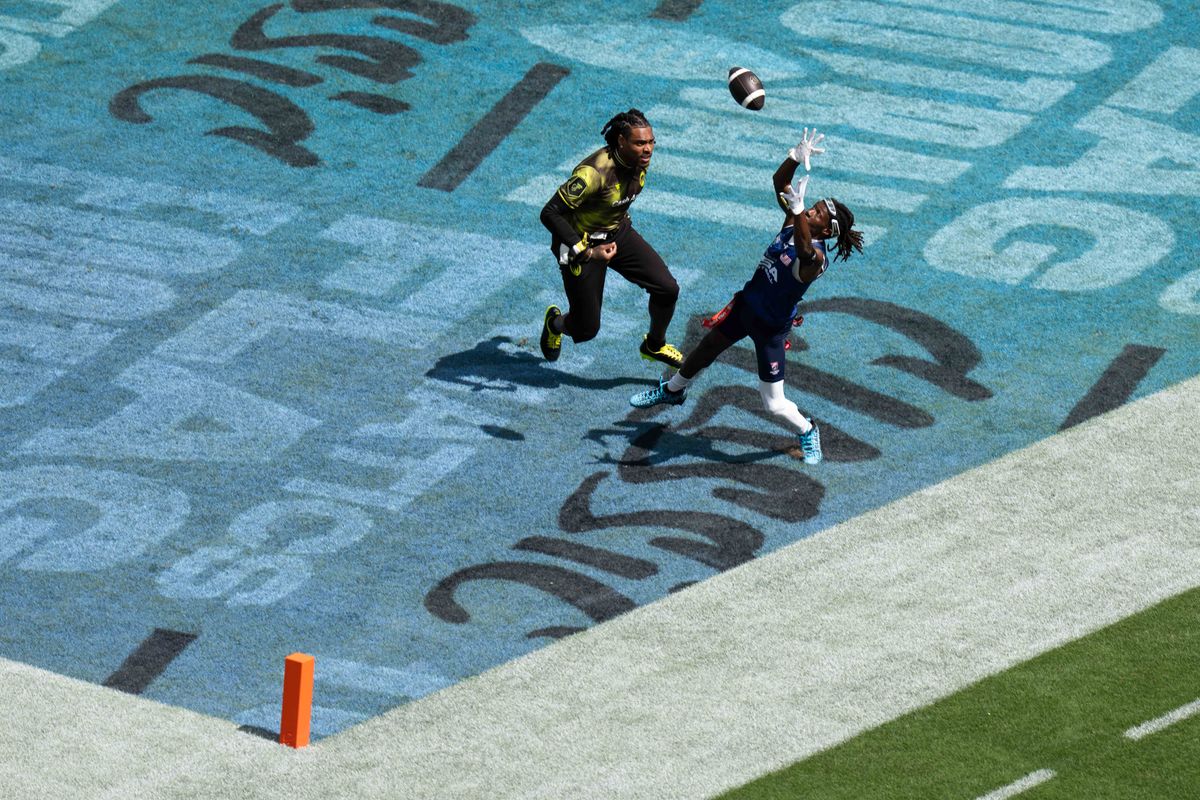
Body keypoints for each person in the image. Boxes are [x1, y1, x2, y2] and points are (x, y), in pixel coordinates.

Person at [628, 129, 863, 465]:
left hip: (770, 327)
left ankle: (808, 430)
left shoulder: (817, 257)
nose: (807, 212)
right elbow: (778, 181)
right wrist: (794, 158)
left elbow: (805, 255)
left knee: (773, 403)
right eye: (809, 209)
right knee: (707, 347)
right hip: (746, 306)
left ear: (826, 232)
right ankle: (674, 390)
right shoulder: (792, 222)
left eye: (814, 215)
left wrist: (798, 214)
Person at [538, 109, 683, 369]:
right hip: (579, 244)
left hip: (617, 233)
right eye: (640, 143)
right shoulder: (592, 174)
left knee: (667, 289)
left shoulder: (638, 162)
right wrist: (586, 252)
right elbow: (549, 213)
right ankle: (555, 324)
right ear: (620, 142)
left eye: (651, 142)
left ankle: (654, 345)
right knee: (586, 328)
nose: (648, 149)